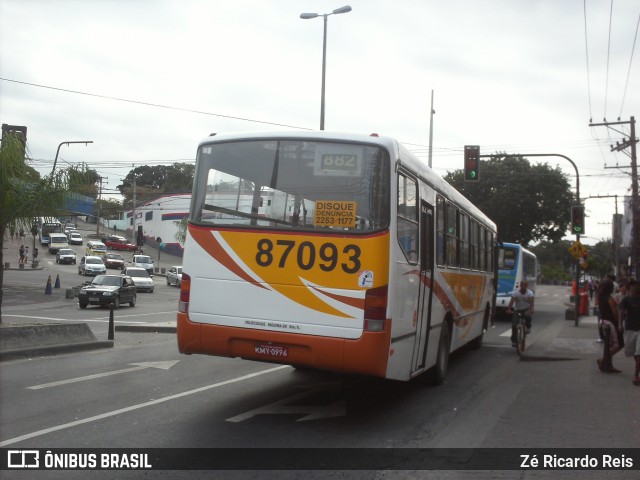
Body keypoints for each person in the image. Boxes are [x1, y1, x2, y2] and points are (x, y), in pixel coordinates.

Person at [596, 279, 623, 373]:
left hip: (603, 322)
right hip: (611, 323)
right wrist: (620, 323)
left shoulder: (599, 297)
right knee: (619, 344)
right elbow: (615, 313)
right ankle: (603, 360)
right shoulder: (610, 299)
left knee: (609, 345)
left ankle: (609, 365)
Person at [618, 279, 640, 386]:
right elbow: (621, 311)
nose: (635, 288)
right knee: (633, 354)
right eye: (633, 287)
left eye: (637, 286)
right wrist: (620, 324)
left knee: (639, 354)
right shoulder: (626, 300)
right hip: (629, 329)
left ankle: (636, 375)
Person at [506, 280, 534, 347]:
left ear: (527, 286)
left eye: (525, 285)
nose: (524, 287)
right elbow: (512, 301)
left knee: (528, 316)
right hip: (517, 310)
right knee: (514, 325)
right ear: (520, 286)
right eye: (522, 285)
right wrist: (509, 309)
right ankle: (514, 341)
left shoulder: (530, 293)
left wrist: (531, 309)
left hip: (526, 309)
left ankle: (528, 327)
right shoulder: (516, 293)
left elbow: (531, 302)